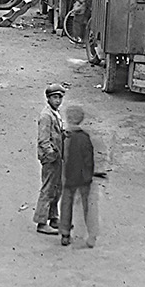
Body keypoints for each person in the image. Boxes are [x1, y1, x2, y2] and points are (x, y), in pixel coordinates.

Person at [58, 103, 98, 248]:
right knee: (87, 206)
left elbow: (62, 157)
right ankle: (91, 235)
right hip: (84, 177)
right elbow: (89, 159)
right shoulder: (85, 138)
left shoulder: (65, 137)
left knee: (66, 203)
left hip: (69, 176)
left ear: (68, 119)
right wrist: (89, 175)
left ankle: (65, 233)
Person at [33, 82, 65, 234]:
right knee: (48, 188)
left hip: (58, 156)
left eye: (59, 97)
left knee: (56, 187)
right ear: (48, 98)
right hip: (51, 158)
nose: (57, 101)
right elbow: (43, 140)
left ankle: (53, 217)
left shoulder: (55, 113)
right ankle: (41, 221)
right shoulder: (46, 116)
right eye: (54, 98)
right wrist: (51, 154)